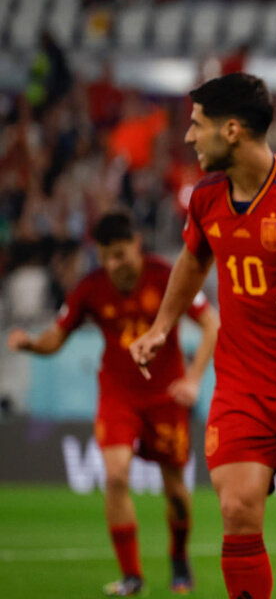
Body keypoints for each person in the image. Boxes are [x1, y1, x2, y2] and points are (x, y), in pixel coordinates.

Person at [129, 73, 276, 599]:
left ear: (231, 130)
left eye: (196, 125)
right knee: (237, 510)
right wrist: (161, 327)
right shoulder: (206, 196)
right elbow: (191, 261)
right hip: (241, 384)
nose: (189, 138)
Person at [7, 210, 219, 597]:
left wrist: (192, 379)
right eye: (106, 257)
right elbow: (57, 336)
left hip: (166, 396)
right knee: (116, 476)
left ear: (137, 244)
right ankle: (132, 576)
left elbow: (211, 324)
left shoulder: (167, 275)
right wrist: (32, 345)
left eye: (120, 254)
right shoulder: (90, 288)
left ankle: (178, 557)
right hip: (118, 396)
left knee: (175, 489)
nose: (114, 265)